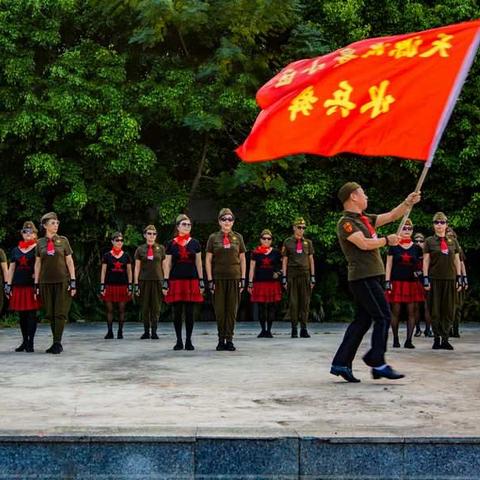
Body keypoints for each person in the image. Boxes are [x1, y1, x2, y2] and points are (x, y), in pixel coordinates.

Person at [330, 182, 420, 382]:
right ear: (353, 196)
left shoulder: (365, 219)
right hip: (363, 277)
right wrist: (386, 241)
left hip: (372, 276)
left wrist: (407, 202)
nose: (366, 197)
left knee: (362, 321)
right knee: (384, 316)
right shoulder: (346, 222)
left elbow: (391, 216)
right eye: (363, 193)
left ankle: (340, 363)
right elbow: (363, 243)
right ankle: (376, 361)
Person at [34, 212, 76, 354]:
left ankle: (57, 343)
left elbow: (69, 261)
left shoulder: (63, 241)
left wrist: (73, 281)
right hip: (46, 282)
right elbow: (38, 264)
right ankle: (55, 341)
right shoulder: (40, 243)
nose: (56, 225)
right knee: (50, 313)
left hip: (62, 282)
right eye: (53, 223)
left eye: (57, 223)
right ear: (45, 225)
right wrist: (36, 283)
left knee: (60, 313)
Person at [205, 208, 246, 352]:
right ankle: (220, 339)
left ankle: (229, 339)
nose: (227, 222)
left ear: (233, 221)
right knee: (220, 310)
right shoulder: (213, 238)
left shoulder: (238, 237)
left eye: (230, 219)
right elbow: (208, 259)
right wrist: (210, 280)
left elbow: (242, 258)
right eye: (224, 219)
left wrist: (243, 278)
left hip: (234, 277)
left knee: (232, 310)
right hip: (218, 278)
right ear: (219, 221)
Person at [163, 214, 204, 351]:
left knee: (190, 312)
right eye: (184, 224)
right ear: (178, 226)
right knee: (177, 312)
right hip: (176, 281)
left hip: (191, 280)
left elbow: (199, 263)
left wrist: (201, 280)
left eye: (189, 224)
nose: (187, 227)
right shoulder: (170, 243)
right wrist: (165, 281)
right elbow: (167, 264)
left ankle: (188, 340)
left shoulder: (195, 243)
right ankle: (179, 340)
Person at [423, 212, 462, 350]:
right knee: (435, 310)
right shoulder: (429, 241)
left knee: (449, 309)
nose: (439, 225)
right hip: (434, 279)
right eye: (436, 222)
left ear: (446, 224)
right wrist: (425, 278)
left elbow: (457, 260)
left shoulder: (453, 241)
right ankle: (436, 338)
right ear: (433, 225)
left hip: (450, 279)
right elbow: (426, 261)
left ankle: (445, 338)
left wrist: (459, 277)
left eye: (442, 222)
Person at [385, 218, 425, 349]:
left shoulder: (417, 248)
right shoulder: (394, 246)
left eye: (409, 229)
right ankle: (395, 339)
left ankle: (409, 340)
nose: (407, 231)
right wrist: (387, 281)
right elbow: (389, 264)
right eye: (404, 228)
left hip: (412, 283)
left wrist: (420, 275)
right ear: (400, 230)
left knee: (411, 312)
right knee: (395, 311)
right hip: (396, 282)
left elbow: (421, 265)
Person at [5, 221, 41, 352]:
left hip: (31, 285)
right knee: (22, 315)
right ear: (22, 233)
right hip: (18, 285)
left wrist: (37, 281)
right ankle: (24, 341)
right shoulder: (16, 250)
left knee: (32, 314)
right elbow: (11, 268)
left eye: (31, 232)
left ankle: (31, 342)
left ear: (35, 234)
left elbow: (40, 266)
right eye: (25, 231)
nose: (28, 234)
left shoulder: (38, 248)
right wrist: (8, 285)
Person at [281, 218, 315, 338]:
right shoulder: (288, 242)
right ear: (294, 228)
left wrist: (313, 277)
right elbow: (284, 260)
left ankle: (304, 328)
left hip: (305, 274)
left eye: (304, 228)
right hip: (292, 275)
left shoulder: (308, 243)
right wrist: (284, 277)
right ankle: (294, 328)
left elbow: (311, 259)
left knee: (305, 302)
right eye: (299, 227)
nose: (302, 230)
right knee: (294, 302)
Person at [248, 229, 282, 338]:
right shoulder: (256, 252)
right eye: (264, 238)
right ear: (260, 239)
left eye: (269, 239)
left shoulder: (276, 252)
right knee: (261, 308)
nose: (266, 240)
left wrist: (278, 273)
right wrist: (250, 283)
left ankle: (269, 330)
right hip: (260, 283)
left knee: (272, 307)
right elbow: (252, 268)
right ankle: (263, 330)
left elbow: (283, 266)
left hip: (272, 283)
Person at [134, 225, 165, 340]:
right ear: (145, 235)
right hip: (144, 281)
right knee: (145, 307)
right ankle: (146, 331)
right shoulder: (140, 249)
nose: (152, 236)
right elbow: (137, 267)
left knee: (156, 307)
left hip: (157, 280)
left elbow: (164, 265)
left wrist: (166, 281)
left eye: (154, 234)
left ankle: (154, 331)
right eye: (149, 233)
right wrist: (136, 284)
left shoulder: (161, 248)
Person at [100, 232, 132, 339]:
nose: (119, 242)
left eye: (121, 240)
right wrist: (102, 286)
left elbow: (129, 272)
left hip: (122, 286)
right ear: (112, 241)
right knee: (109, 310)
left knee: (121, 310)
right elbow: (103, 271)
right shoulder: (107, 255)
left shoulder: (126, 255)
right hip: (109, 286)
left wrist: (130, 286)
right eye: (117, 240)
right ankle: (109, 331)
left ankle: (120, 331)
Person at [446, 227, 468, 338]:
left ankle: (455, 329)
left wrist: (464, 278)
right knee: (449, 305)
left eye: (452, 236)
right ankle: (448, 328)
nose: (450, 238)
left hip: (457, 277)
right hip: (446, 278)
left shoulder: (458, 248)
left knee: (457, 306)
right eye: (448, 236)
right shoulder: (442, 247)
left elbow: (461, 263)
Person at [412, 232, 433, 338]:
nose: (418, 243)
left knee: (427, 306)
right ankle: (418, 329)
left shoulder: (428, 252)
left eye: (421, 241)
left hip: (426, 280)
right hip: (415, 281)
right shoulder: (411, 252)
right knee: (415, 307)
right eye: (416, 241)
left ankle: (428, 330)